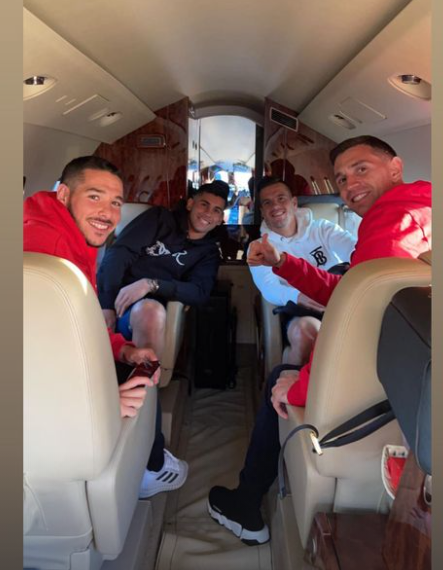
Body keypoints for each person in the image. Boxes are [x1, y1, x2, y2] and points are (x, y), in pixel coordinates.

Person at [208, 135, 431, 545]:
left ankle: (245, 504)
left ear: (396, 168)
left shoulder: (390, 224)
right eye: (342, 178)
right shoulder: (419, 212)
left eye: (361, 169)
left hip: (384, 392)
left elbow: (359, 315)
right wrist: (285, 265)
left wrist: (305, 382)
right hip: (397, 380)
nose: (349, 185)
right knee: (302, 333)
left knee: (281, 377)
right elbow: (352, 292)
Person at [23, 155, 188, 497]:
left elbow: (73, 329)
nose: (108, 213)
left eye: (115, 202)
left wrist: (122, 348)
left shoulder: (70, 236)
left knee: (140, 367)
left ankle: (151, 455)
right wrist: (98, 402)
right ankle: (149, 470)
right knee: (141, 387)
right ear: (64, 195)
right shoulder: (45, 250)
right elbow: (29, 360)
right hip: (44, 401)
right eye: (94, 196)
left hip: (62, 371)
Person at [97, 180, 229, 359]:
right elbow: (119, 254)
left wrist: (151, 285)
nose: (208, 213)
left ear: (220, 219)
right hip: (116, 300)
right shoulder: (159, 219)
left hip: (151, 310)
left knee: (150, 311)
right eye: (204, 204)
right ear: (190, 204)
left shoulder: (208, 251)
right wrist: (106, 305)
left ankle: (145, 383)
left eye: (216, 210)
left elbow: (199, 292)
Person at [249, 176, 356, 365]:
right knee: (305, 331)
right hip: (299, 310)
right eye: (268, 203)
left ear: (294, 203)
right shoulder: (259, 246)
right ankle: (294, 390)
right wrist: (299, 296)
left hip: (338, 300)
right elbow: (269, 288)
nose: (275, 206)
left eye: (281, 198)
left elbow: (355, 251)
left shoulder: (323, 229)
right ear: (262, 212)